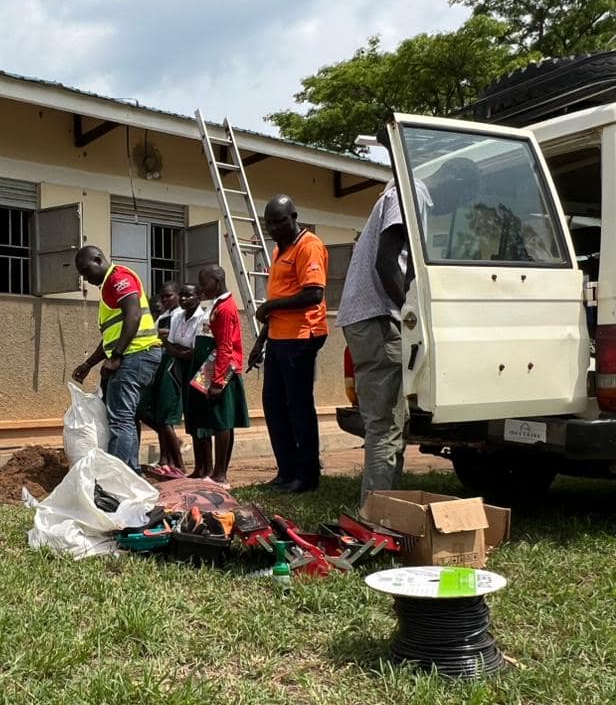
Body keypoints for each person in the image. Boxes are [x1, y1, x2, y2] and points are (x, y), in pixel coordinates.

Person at [338, 153, 480, 504]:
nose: (458, 208)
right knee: (385, 427)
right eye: (463, 198)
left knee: (394, 423)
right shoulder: (410, 195)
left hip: (372, 317)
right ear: (455, 182)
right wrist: (411, 316)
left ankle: (389, 509)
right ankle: (375, 519)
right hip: (378, 319)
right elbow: (387, 263)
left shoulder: (410, 198)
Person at [250, 194, 329, 494]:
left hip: (302, 338)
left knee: (298, 408)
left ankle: (306, 476)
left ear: (294, 216)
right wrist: (261, 340)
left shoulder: (309, 246)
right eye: (269, 223)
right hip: (279, 339)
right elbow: (281, 296)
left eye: (280, 221)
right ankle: (286, 472)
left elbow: (313, 294)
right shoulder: (277, 250)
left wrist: (270, 307)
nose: (274, 227)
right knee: (273, 406)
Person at [70, 245, 163, 473]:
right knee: (126, 418)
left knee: (120, 419)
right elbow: (112, 335)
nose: (85, 278)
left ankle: (116, 479)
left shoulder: (118, 279)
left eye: (86, 270)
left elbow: (133, 315)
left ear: (98, 259)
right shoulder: (108, 288)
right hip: (134, 354)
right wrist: (88, 364)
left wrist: (117, 356)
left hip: (136, 354)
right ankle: (130, 473)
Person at [186, 266, 249, 485]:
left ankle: (220, 474)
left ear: (217, 280)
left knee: (222, 420)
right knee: (208, 416)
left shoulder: (225, 308)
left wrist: (219, 380)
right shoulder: (216, 305)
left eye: (204, 284)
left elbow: (224, 347)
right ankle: (208, 469)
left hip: (221, 369)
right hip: (209, 366)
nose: (201, 289)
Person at [139, 281, 185, 475]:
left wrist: (163, 336)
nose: (165, 300)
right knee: (148, 411)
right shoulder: (163, 317)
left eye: (169, 296)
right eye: (163, 296)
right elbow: (157, 337)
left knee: (166, 418)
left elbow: (172, 338)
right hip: (158, 367)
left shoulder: (181, 315)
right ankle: (165, 458)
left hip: (172, 370)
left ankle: (179, 464)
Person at [164, 283, 208, 475]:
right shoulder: (177, 317)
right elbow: (171, 346)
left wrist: (179, 351)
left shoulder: (203, 318)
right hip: (183, 372)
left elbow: (196, 352)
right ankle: (198, 468)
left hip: (201, 371)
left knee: (203, 422)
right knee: (191, 421)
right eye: (181, 295)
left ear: (198, 297)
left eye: (188, 296)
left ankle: (208, 468)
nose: (183, 299)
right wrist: (182, 351)